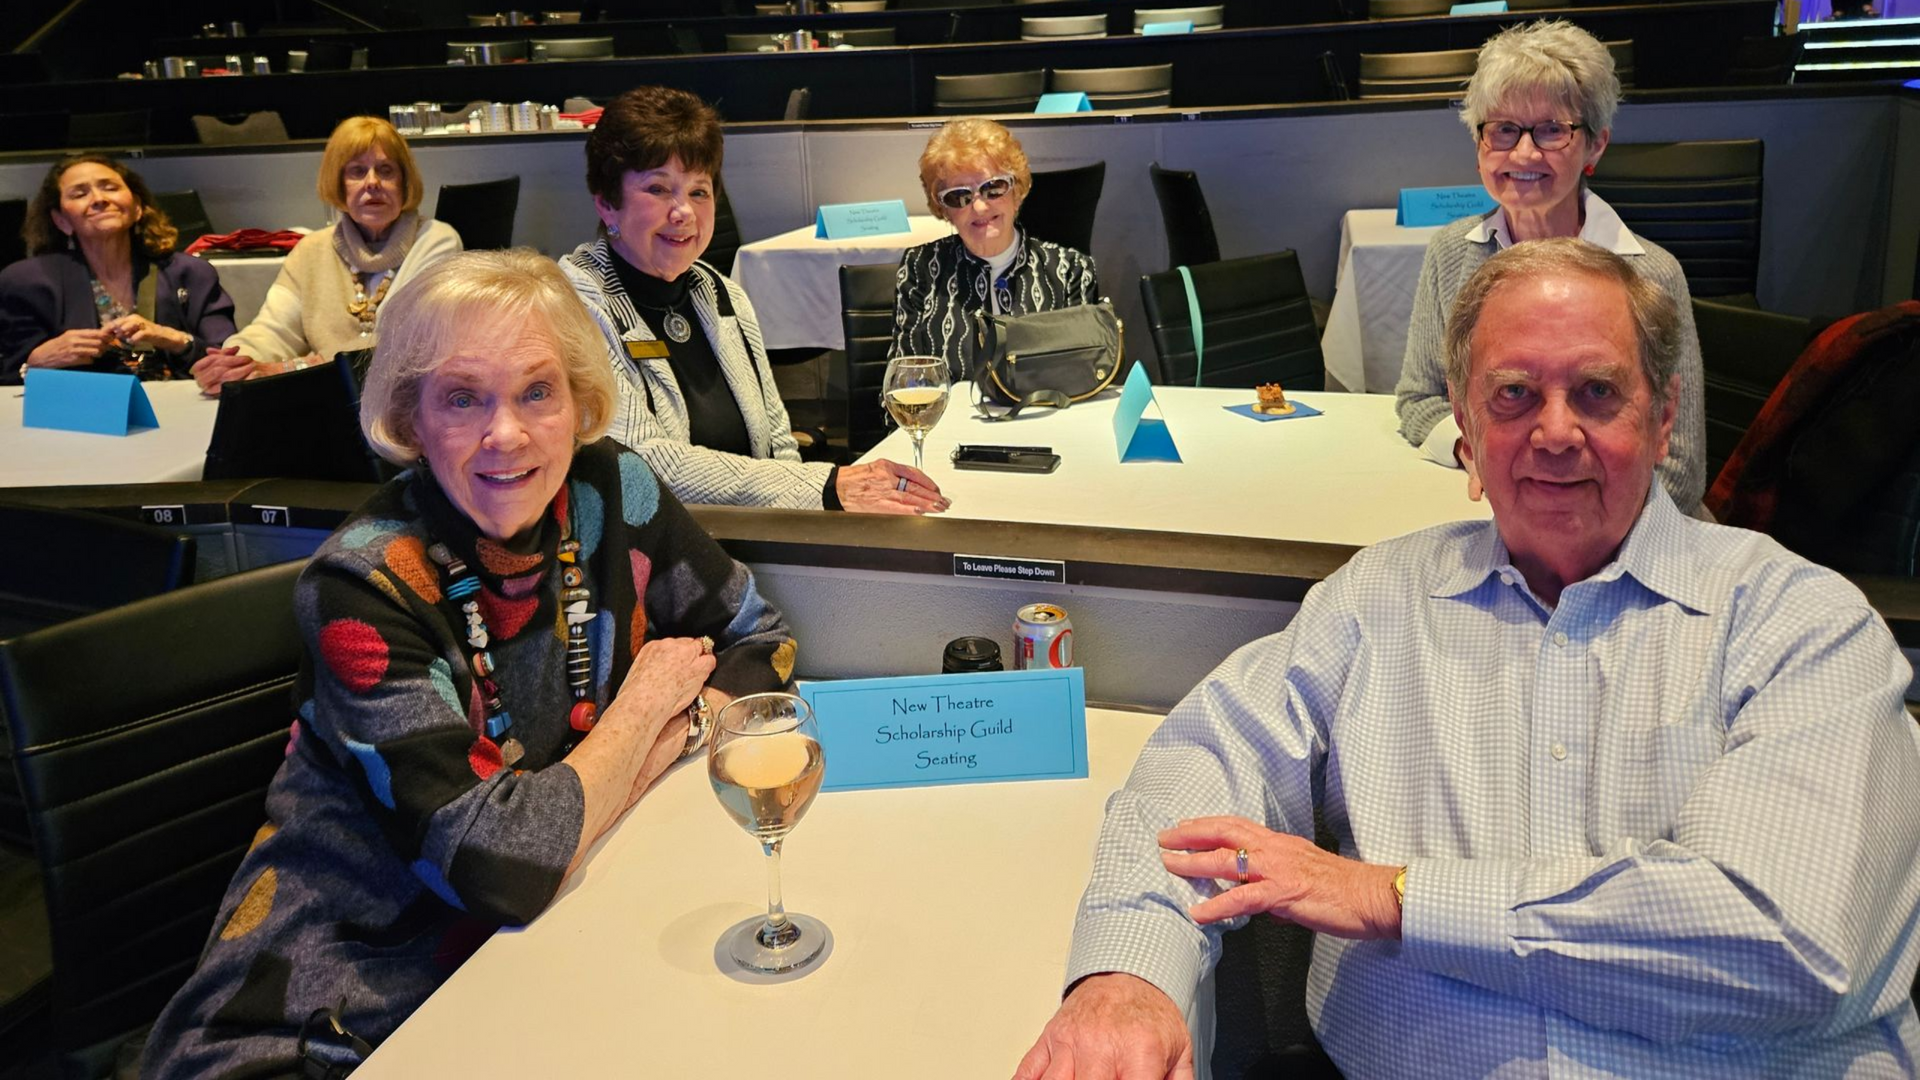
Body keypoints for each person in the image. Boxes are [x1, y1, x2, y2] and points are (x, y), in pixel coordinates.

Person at [1016, 239, 1920, 1079]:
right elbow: (1205, 762)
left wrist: (1393, 898)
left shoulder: (1799, 624)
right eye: (1514, 394)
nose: (1555, 432)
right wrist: (1126, 978)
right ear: (1462, 421)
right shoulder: (1381, 599)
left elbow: (1783, 941)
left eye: (1598, 392)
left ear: (1665, 411)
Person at [143, 250, 797, 1077]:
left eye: (537, 391)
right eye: (462, 398)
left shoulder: (611, 490)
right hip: (338, 1006)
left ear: (580, 400)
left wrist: (675, 724)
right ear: (411, 419)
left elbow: (760, 641)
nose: (508, 435)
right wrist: (640, 719)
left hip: (540, 952)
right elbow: (497, 868)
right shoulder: (363, 585)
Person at [560, 86, 943, 514]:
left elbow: (778, 442)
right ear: (607, 203)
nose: (683, 211)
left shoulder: (722, 293)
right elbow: (642, 463)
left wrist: (802, 534)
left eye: (699, 192)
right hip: (654, 558)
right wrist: (822, 486)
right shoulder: (575, 306)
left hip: (757, 537)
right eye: (658, 189)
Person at [1393, 19, 1708, 515]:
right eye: (1502, 129)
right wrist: (1470, 452)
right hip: (1482, 515)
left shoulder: (1653, 275)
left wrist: (1556, 508)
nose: (1523, 152)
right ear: (1479, 145)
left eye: (1551, 130)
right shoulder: (1451, 252)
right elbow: (1419, 399)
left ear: (1595, 145)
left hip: (1614, 535)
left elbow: (1681, 470)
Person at [191, 116, 461, 394]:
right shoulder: (311, 249)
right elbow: (274, 329)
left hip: (405, 404)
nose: (372, 183)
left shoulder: (436, 240)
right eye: (357, 171)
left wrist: (293, 369)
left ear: (404, 183)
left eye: (386, 170)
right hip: (325, 399)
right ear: (339, 184)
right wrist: (236, 362)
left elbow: (400, 350)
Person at [892, 118, 1100, 378]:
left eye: (993, 188)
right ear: (944, 209)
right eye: (959, 196)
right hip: (948, 419)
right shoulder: (921, 267)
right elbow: (903, 382)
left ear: (1017, 191)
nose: (978, 207)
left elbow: (1083, 381)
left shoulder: (1070, 271)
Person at [0, 154, 236, 383]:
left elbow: (229, 359)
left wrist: (174, 339)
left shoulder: (191, 273)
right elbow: (10, 376)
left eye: (111, 188)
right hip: (78, 417)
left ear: (137, 208)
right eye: (80, 194)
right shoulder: (27, 281)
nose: (99, 199)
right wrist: (36, 363)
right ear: (61, 220)